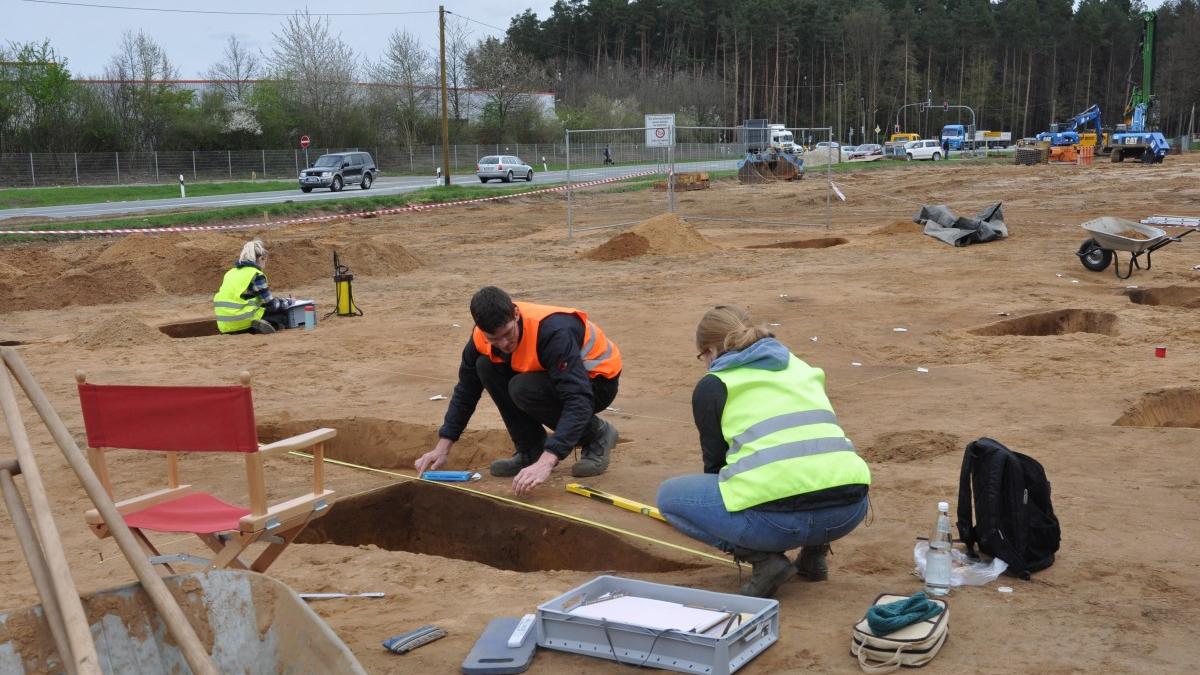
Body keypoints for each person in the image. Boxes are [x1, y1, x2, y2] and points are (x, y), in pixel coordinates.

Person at [657, 305, 871, 598]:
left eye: (702, 356)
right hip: (848, 509)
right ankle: (814, 555)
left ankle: (765, 561)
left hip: (776, 522)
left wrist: (760, 536)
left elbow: (716, 466)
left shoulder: (714, 384)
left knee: (669, 497)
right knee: (813, 466)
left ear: (709, 351)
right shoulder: (800, 366)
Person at [415, 287, 622, 496]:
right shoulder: (479, 337)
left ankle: (597, 434)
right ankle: (530, 449)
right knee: (485, 366)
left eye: (507, 334)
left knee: (522, 388)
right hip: (550, 376)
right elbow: (466, 391)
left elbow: (578, 398)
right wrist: (443, 446)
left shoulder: (553, 331)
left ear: (515, 314)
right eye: (494, 339)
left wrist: (548, 461)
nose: (503, 344)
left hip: (597, 383)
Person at [212, 239, 291, 335]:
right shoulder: (256, 274)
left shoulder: (230, 273)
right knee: (282, 315)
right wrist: (288, 302)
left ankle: (249, 327)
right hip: (242, 320)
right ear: (261, 258)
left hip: (225, 325)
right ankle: (258, 327)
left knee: (258, 306)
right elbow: (271, 304)